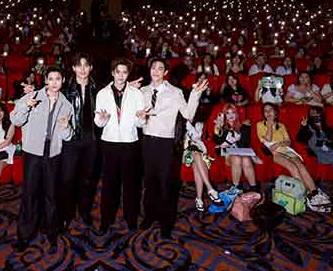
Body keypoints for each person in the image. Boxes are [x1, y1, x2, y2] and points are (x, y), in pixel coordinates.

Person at [138, 57, 208, 239]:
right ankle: (149, 215)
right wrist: (140, 117)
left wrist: (195, 95)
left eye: (160, 68)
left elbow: (188, 114)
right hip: (147, 141)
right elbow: (137, 119)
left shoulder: (175, 92)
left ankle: (166, 222)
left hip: (166, 143)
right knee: (150, 182)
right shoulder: (142, 91)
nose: (155, 71)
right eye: (153, 68)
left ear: (165, 72)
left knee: (166, 183)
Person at [10, 66, 73, 250]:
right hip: (33, 152)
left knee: (51, 195)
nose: (54, 83)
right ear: (45, 80)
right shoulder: (32, 96)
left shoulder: (66, 105)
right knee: (30, 194)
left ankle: (51, 231)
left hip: (53, 153)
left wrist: (66, 127)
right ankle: (24, 235)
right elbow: (16, 120)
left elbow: (68, 136)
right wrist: (25, 106)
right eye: (50, 79)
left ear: (63, 81)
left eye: (58, 79)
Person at [94, 58, 145, 235]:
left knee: (131, 184)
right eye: (118, 72)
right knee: (109, 185)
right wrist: (102, 119)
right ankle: (105, 221)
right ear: (112, 73)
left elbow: (140, 123)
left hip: (130, 143)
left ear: (128, 74)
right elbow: (98, 123)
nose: (121, 76)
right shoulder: (102, 94)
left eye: (124, 72)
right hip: (109, 143)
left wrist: (141, 118)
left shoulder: (137, 94)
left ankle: (131, 220)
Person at [256, 103, 330, 212]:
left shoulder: (281, 126)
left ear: (275, 113)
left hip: (287, 150)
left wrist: (279, 143)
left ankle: (314, 192)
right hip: (275, 153)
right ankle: (308, 195)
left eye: (270, 110)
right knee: (293, 168)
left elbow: (288, 141)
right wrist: (270, 125)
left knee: (301, 166)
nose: (268, 113)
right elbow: (268, 139)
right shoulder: (260, 125)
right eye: (265, 111)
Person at [58, 53, 101, 229]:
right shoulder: (65, 90)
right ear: (73, 68)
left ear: (91, 68)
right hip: (71, 140)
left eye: (86, 65)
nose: (82, 69)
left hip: (91, 140)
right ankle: (66, 213)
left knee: (88, 179)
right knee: (67, 178)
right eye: (79, 65)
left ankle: (84, 211)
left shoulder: (98, 89)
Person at [211, 103, 260, 193]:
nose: (230, 115)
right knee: (237, 158)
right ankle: (236, 188)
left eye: (233, 112)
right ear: (224, 115)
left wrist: (245, 127)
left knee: (246, 159)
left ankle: (254, 188)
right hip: (226, 152)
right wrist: (219, 127)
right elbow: (217, 141)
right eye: (227, 113)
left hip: (240, 151)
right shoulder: (221, 126)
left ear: (236, 114)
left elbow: (244, 144)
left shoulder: (243, 125)